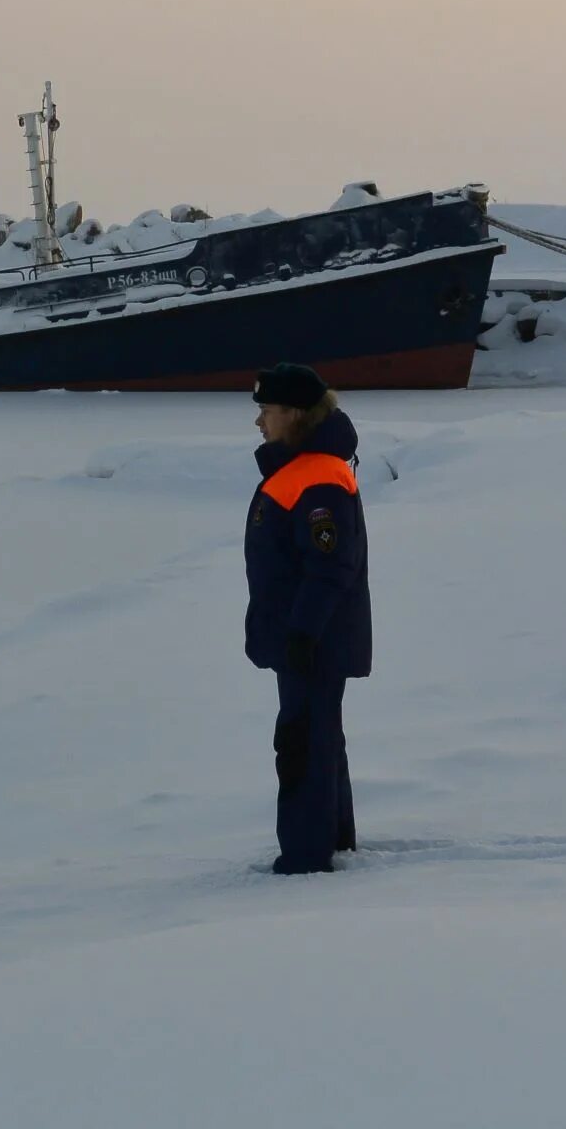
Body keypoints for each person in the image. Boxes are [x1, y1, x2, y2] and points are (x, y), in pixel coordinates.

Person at [244, 362, 371, 874]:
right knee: (320, 735)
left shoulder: (317, 478)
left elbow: (330, 566)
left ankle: (306, 855)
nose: (259, 423)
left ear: (294, 415)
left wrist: (301, 633)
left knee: (302, 741)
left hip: (312, 642)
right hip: (303, 637)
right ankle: (332, 838)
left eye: (267, 412)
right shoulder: (301, 469)